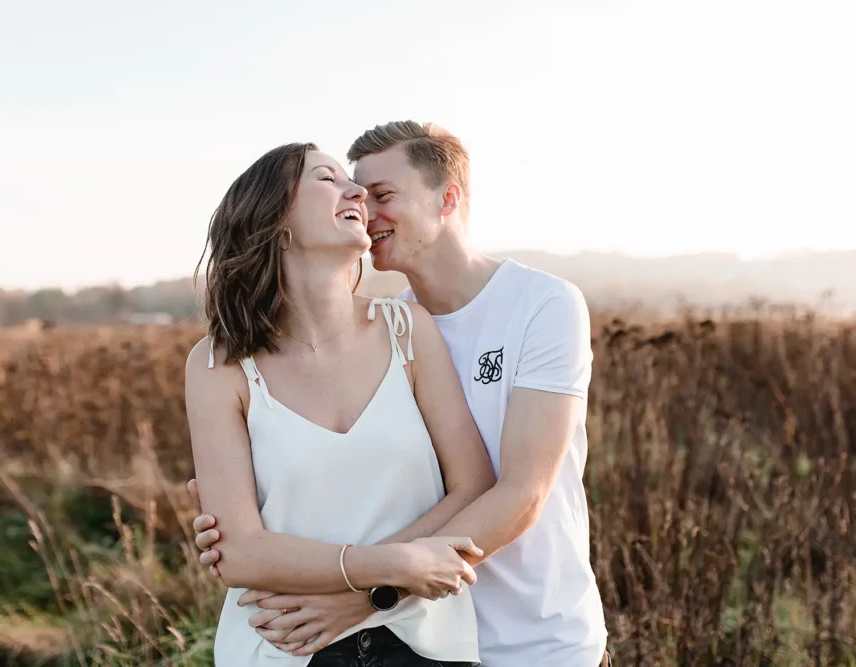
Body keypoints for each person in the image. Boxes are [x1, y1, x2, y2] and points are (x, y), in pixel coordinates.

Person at [190, 122, 612, 666]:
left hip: (531, 636)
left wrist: (367, 596)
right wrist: (243, 519)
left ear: (447, 199)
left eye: (382, 195)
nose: (365, 207)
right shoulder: (395, 324)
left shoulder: (537, 305)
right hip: (417, 639)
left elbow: (519, 494)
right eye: (356, 193)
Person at [185, 141, 496, 666]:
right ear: (274, 219)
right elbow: (239, 551)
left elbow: (473, 487)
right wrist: (392, 565)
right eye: (327, 179)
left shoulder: (407, 330)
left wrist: (371, 593)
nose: (357, 191)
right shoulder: (220, 363)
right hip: (284, 644)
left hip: (423, 643)